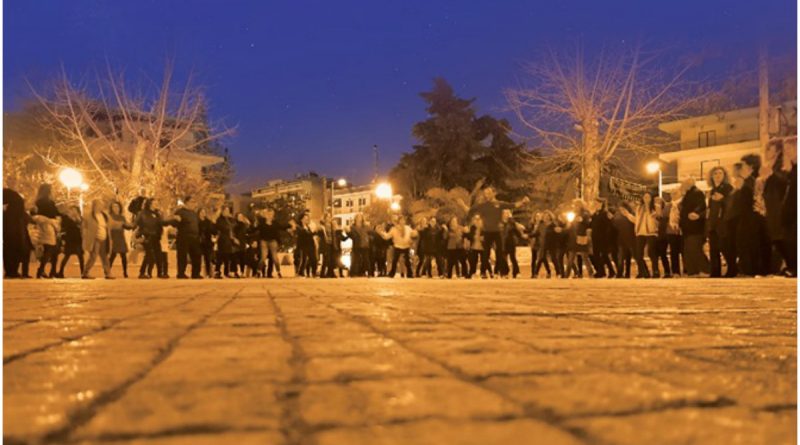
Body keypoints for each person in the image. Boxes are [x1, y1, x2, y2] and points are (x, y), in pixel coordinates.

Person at [458, 187, 529, 278]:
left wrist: (523, 202)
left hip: (497, 232)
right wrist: (462, 205)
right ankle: (483, 273)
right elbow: (470, 210)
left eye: (488, 193)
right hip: (487, 232)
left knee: (499, 252)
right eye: (485, 193)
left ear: (493, 193)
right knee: (485, 253)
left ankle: (500, 272)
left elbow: (513, 205)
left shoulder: (499, 204)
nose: (486, 195)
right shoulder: (482, 205)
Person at [736, 154, 768, 276]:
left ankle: (753, 270)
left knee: (752, 246)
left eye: (743, 165)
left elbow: (753, 199)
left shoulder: (753, 181)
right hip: (748, 219)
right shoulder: (748, 181)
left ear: (751, 166)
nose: (741, 168)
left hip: (752, 219)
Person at [706, 166, 734, 278]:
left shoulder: (728, 188)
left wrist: (723, 199)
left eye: (720, 173)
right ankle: (715, 271)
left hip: (723, 222)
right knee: (714, 249)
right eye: (715, 174)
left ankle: (732, 270)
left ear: (724, 175)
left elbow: (731, 205)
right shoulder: (712, 191)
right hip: (713, 223)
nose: (717, 176)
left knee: (725, 247)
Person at [679, 177, 710, 277]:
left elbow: (701, 206)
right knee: (689, 249)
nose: (682, 185)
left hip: (694, 226)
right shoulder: (688, 194)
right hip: (688, 227)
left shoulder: (696, 193)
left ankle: (705, 269)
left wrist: (695, 213)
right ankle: (693, 271)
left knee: (694, 248)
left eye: (684, 183)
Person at [170, 196, 203, 279]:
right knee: (182, 256)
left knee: (196, 255)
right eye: (192, 202)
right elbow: (174, 223)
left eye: (194, 202)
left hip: (194, 237)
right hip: (184, 237)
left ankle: (196, 273)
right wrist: (175, 219)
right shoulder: (180, 212)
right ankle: (181, 273)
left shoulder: (194, 214)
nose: (194, 204)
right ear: (187, 202)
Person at [32, 184, 61, 279]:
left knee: (48, 249)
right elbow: (54, 213)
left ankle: (47, 270)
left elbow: (34, 213)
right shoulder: (49, 202)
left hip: (41, 225)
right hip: (49, 225)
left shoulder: (38, 202)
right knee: (50, 248)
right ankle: (41, 270)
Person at [4, 188, 33, 278]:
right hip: (16, 233)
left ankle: (11, 271)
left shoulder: (8, 213)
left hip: (10, 233)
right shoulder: (17, 204)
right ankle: (13, 271)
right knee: (15, 251)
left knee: (9, 251)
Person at [82, 198, 112, 279]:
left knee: (104, 256)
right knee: (93, 256)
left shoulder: (104, 215)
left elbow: (108, 226)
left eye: (102, 205)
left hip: (104, 238)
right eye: (99, 205)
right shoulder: (89, 216)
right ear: (95, 206)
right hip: (95, 239)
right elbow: (85, 228)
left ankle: (108, 273)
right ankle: (85, 272)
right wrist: (85, 238)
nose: (101, 206)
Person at [134, 199, 165, 279]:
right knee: (149, 255)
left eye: (157, 203)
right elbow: (137, 223)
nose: (156, 204)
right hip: (147, 236)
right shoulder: (143, 213)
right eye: (155, 203)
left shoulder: (157, 213)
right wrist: (139, 235)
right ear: (150, 204)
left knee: (159, 255)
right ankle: (142, 272)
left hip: (156, 237)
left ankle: (159, 273)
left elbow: (161, 224)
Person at [565, 199, 594, 278]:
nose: (575, 207)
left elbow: (588, 223)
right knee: (571, 257)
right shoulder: (573, 214)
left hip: (581, 236)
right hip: (573, 238)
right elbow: (571, 225)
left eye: (577, 205)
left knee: (584, 256)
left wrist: (582, 220)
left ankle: (591, 272)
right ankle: (566, 274)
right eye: (574, 205)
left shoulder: (585, 213)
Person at [590, 199, 616, 278]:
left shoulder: (604, 213)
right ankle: (600, 271)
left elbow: (609, 225)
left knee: (604, 255)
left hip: (603, 237)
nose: (595, 204)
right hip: (595, 237)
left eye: (597, 203)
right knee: (596, 255)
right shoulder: (595, 214)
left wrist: (607, 236)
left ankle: (611, 271)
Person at [108, 201, 134, 278]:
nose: (116, 208)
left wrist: (133, 225)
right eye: (114, 207)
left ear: (120, 208)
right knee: (113, 255)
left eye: (117, 207)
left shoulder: (122, 217)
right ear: (111, 208)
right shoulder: (109, 216)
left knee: (123, 256)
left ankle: (125, 272)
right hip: (113, 237)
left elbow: (127, 226)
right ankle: (108, 271)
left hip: (120, 237)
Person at [57, 206, 84, 278]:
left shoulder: (80, 218)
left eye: (75, 210)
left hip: (78, 240)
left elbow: (82, 227)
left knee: (80, 257)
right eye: (72, 210)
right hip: (70, 240)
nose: (73, 212)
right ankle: (60, 272)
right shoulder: (67, 218)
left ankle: (83, 272)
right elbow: (64, 228)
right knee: (67, 256)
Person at [532, 211, 558, 279]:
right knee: (541, 258)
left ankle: (558, 273)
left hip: (552, 244)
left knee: (553, 259)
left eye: (548, 216)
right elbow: (537, 233)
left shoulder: (553, 225)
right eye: (545, 216)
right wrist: (528, 235)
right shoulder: (541, 224)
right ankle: (535, 274)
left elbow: (556, 234)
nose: (546, 217)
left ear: (550, 217)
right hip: (543, 243)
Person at [612, 202, 635, 279]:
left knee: (629, 257)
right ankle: (620, 272)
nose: (621, 210)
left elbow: (634, 224)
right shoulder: (618, 216)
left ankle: (627, 273)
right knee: (621, 257)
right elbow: (615, 226)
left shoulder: (631, 214)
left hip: (630, 238)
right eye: (620, 209)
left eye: (623, 209)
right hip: (621, 239)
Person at [665, 189, 684, 277]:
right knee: (674, 252)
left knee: (684, 251)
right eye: (672, 193)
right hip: (671, 231)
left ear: (680, 193)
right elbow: (664, 216)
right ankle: (676, 271)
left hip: (682, 230)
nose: (673, 195)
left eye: (675, 193)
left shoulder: (683, 204)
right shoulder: (668, 205)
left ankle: (686, 270)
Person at [214, 206, 235, 278]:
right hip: (222, 239)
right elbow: (219, 227)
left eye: (228, 211)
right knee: (220, 256)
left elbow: (233, 226)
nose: (227, 212)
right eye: (225, 210)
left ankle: (227, 272)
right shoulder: (220, 219)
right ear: (222, 211)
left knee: (227, 256)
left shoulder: (230, 219)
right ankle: (217, 271)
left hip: (228, 240)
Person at [465, 214, 487, 278]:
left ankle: (483, 273)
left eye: (478, 219)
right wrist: (467, 233)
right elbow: (469, 236)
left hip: (483, 246)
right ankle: (472, 272)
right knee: (473, 260)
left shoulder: (485, 228)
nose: (477, 221)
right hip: (474, 246)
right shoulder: (472, 228)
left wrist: (484, 238)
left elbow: (489, 236)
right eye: (475, 219)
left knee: (484, 260)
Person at [295, 213, 317, 277]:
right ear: (301, 219)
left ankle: (313, 273)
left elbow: (309, 234)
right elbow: (304, 234)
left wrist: (313, 233)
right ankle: (300, 272)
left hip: (310, 244)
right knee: (304, 259)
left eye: (307, 219)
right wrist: (313, 233)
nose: (306, 220)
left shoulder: (308, 226)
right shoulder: (299, 227)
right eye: (305, 219)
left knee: (313, 259)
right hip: (303, 245)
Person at [198, 208, 216, 278]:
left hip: (207, 242)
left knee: (208, 258)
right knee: (198, 258)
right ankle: (198, 272)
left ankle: (208, 273)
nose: (203, 213)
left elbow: (213, 231)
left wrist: (213, 224)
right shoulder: (196, 221)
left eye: (204, 212)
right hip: (198, 242)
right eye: (201, 212)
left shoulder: (208, 222)